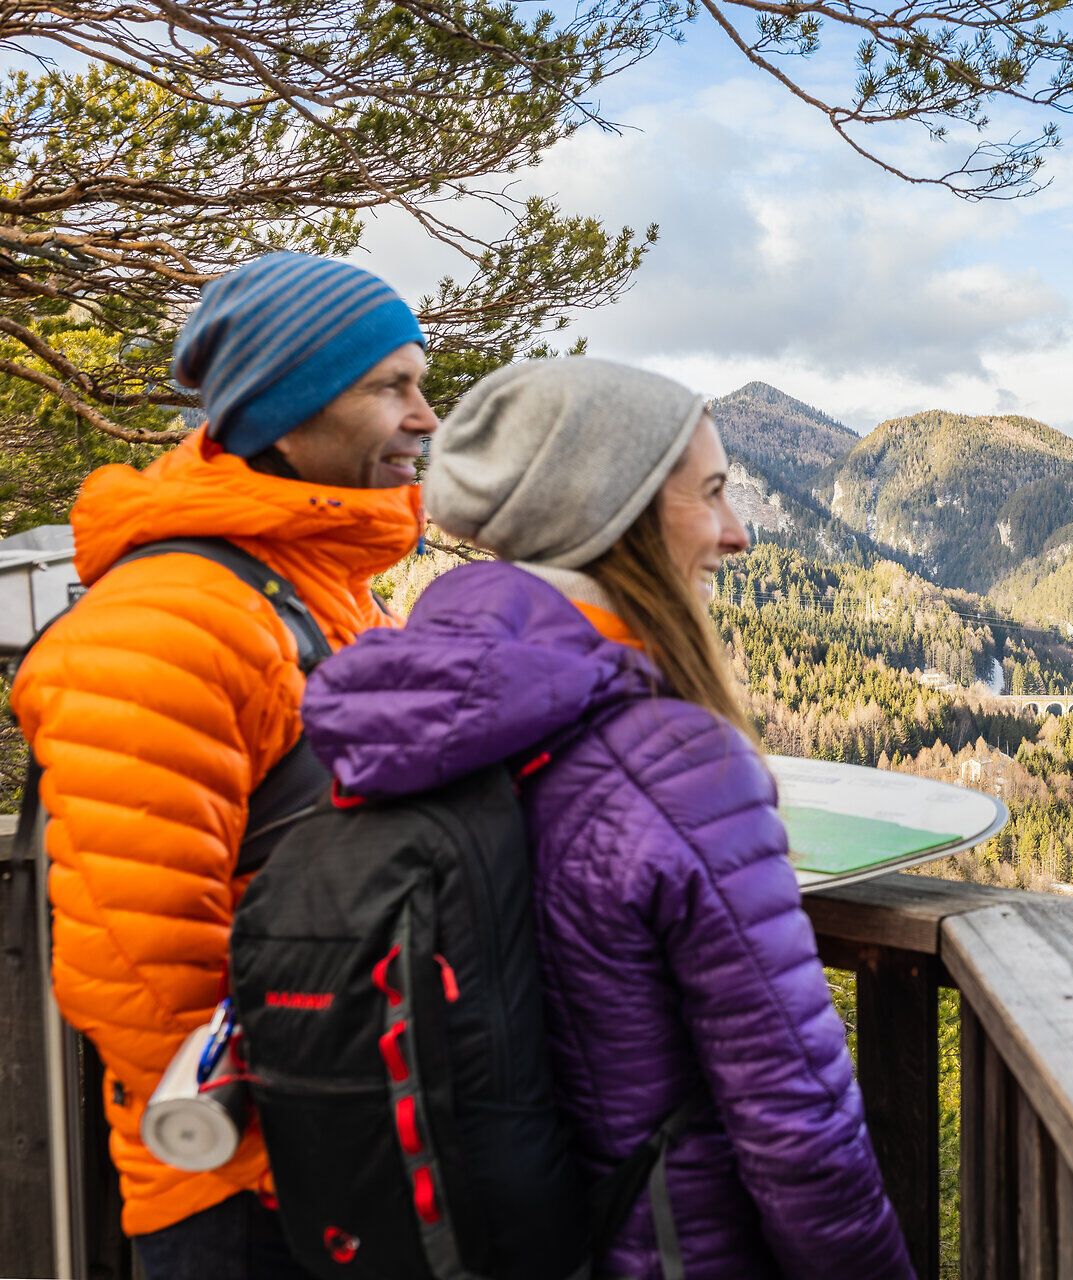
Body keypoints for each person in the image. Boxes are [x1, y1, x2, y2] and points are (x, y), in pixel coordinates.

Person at [300, 358, 914, 1280]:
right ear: (616, 516)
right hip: (664, 1246)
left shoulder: (420, 704)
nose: (737, 534)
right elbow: (796, 1116)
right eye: (710, 494)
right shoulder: (676, 764)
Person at [10, 251, 436, 1278]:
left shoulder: (312, 586)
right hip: (252, 1188)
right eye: (392, 386)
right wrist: (275, 1152)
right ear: (285, 415)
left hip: (345, 1145)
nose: (426, 415)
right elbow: (136, 962)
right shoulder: (167, 623)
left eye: (423, 381)